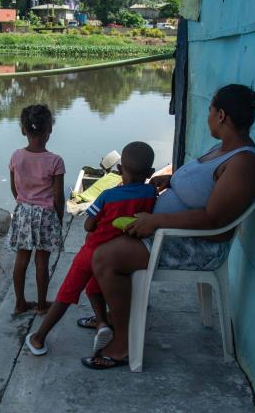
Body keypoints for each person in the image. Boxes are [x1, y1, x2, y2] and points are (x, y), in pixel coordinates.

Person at [83, 84, 255, 370]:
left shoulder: (244, 164)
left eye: (209, 110)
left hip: (195, 246)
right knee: (100, 238)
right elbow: (205, 188)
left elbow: (214, 221)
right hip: (169, 233)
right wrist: (172, 182)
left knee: (104, 257)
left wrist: (155, 220)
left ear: (221, 115)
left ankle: (122, 343)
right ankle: (110, 316)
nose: (208, 116)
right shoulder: (223, 148)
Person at [24, 142, 157, 356]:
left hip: (93, 250)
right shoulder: (151, 193)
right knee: (94, 287)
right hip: (120, 252)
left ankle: (39, 337)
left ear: (120, 170)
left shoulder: (108, 196)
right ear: (150, 172)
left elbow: (88, 225)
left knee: (67, 293)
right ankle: (102, 322)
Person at [6, 104, 65, 315]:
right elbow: (58, 197)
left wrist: (24, 203)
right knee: (42, 261)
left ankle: (20, 303)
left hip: (23, 212)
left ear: (23, 129)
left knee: (21, 259)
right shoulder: (55, 161)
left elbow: (14, 188)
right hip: (46, 215)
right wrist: (59, 217)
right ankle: (41, 305)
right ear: (50, 129)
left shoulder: (16, 156)